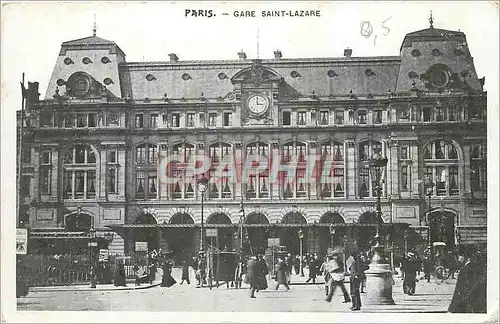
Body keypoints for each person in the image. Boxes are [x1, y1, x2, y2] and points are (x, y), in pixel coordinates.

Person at [448, 246, 487, 313]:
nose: (458, 259)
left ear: (463, 256)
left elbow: (459, 292)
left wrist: (452, 308)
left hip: (468, 307)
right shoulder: (478, 267)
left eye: (458, 257)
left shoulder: (465, 270)